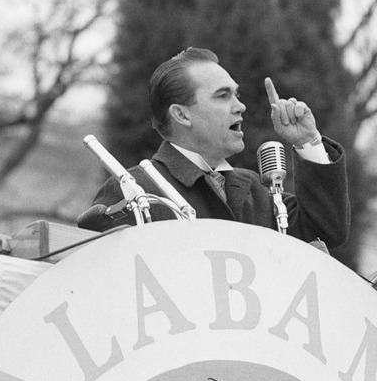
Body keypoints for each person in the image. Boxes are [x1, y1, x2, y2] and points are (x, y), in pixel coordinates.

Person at [79, 47, 350, 249]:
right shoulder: (133, 189)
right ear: (182, 115)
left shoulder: (257, 191)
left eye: (237, 94)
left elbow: (327, 231)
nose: (240, 106)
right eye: (223, 96)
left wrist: (308, 141)